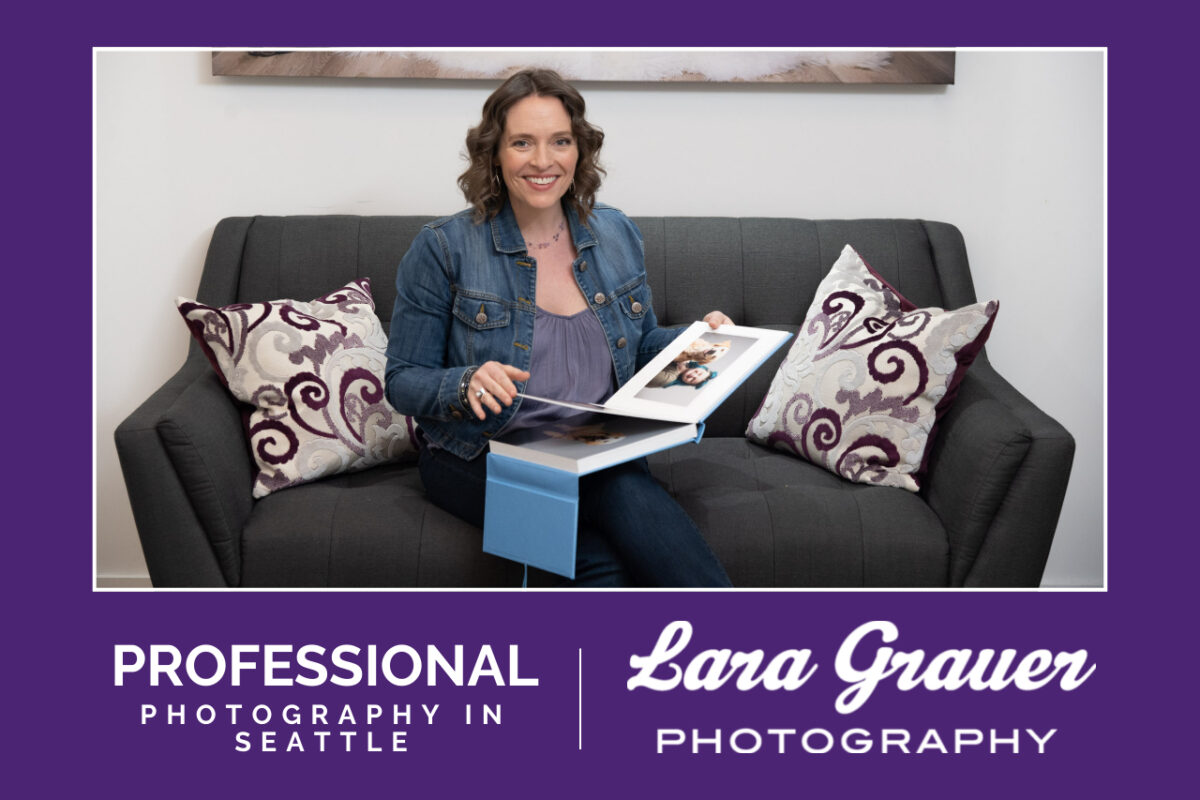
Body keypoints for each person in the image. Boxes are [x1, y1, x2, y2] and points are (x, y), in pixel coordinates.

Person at [384, 68, 732, 587]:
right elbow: (402, 379)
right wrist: (466, 382)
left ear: (579, 151)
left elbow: (639, 349)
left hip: (592, 447)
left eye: (560, 142)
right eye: (523, 142)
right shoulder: (443, 248)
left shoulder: (614, 232)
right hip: (480, 454)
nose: (543, 161)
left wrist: (694, 343)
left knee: (618, 499)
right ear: (495, 154)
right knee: (613, 516)